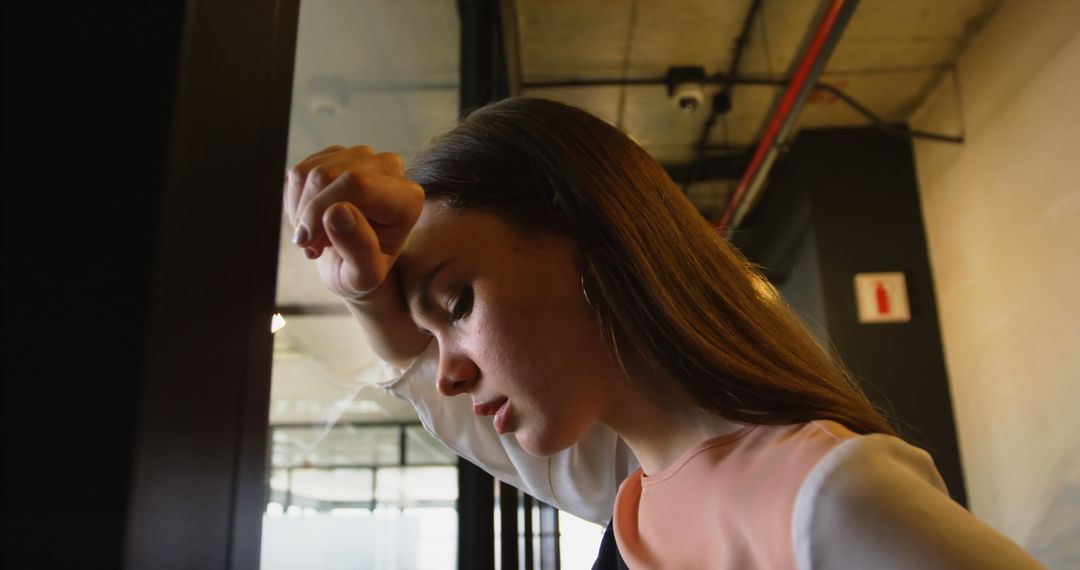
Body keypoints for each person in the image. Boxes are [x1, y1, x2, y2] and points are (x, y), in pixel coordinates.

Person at [282, 97, 1043, 569]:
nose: (447, 374)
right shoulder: (637, 492)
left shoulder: (831, 497)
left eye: (458, 305)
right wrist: (368, 295)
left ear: (581, 235)